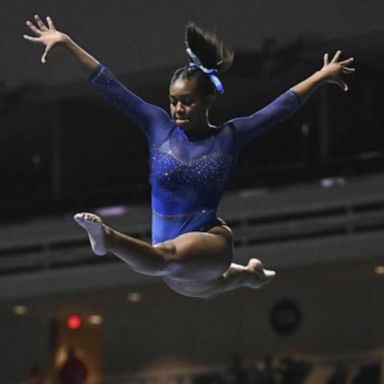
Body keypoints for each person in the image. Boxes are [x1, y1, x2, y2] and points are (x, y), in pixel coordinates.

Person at [24, 15, 355, 298]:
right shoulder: (157, 126)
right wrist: (67, 43)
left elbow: (281, 108)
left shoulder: (229, 137)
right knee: (219, 281)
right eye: (173, 100)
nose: (178, 108)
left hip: (208, 243)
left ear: (207, 100)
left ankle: (107, 238)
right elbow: (109, 86)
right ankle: (253, 274)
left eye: (187, 101)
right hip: (178, 274)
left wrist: (321, 76)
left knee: (166, 258)